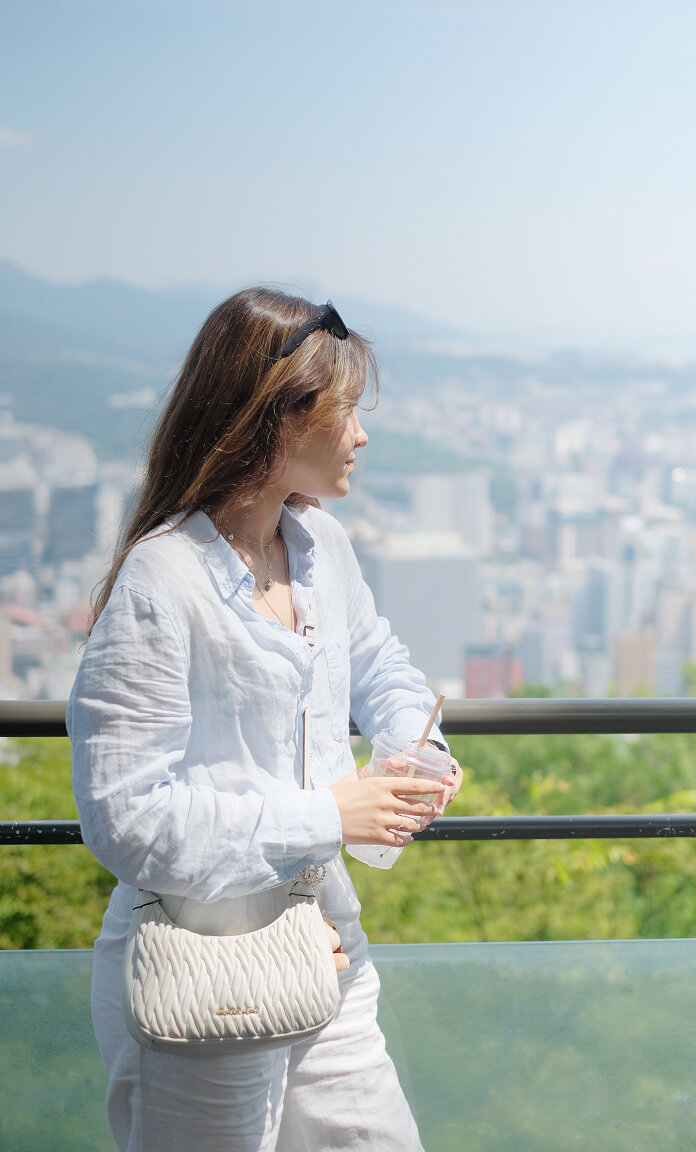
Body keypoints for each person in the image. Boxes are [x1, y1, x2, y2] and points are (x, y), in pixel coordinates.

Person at [67, 286, 463, 1152]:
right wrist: (330, 815)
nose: (360, 436)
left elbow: (380, 664)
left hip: (328, 941)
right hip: (201, 964)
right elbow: (124, 819)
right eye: (345, 411)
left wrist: (415, 743)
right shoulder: (162, 582)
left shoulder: (322, 550)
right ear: (279, 417)